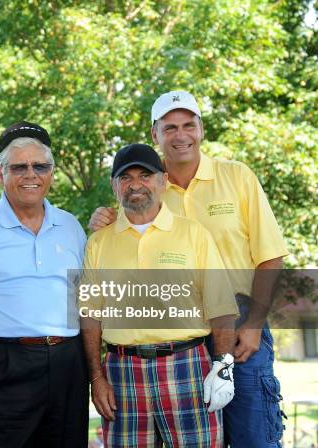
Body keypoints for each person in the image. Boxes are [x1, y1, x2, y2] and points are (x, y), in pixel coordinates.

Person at [90, 91, 288, 447]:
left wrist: (256, 323)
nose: (180, 135)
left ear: (201, 129)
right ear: (156, 134)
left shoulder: (237, 177)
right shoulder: (148, 184)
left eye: (188, 125)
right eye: (170, 127)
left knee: (253, 437)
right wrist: (101, 220)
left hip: (242, 322)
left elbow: (271, 255)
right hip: (180, 333)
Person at [82, 143, 239, 447]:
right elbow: (89, 315)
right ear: (114, 185)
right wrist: (96, 378)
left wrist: (223, 366)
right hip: (122, 373)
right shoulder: (98, 243)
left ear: (163, 181)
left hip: (188, 367)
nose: (136, 185)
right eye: (126, 178)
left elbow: (221, 307)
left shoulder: (193, 234)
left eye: (145, 175)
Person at [0, 122, 89, 447]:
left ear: (52, 173)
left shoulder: (70, 227)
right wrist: (2, 346)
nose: (31, 175)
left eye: (40, 166)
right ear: (1, 174)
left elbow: (85, 300)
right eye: (19, 167)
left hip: (67, 365)